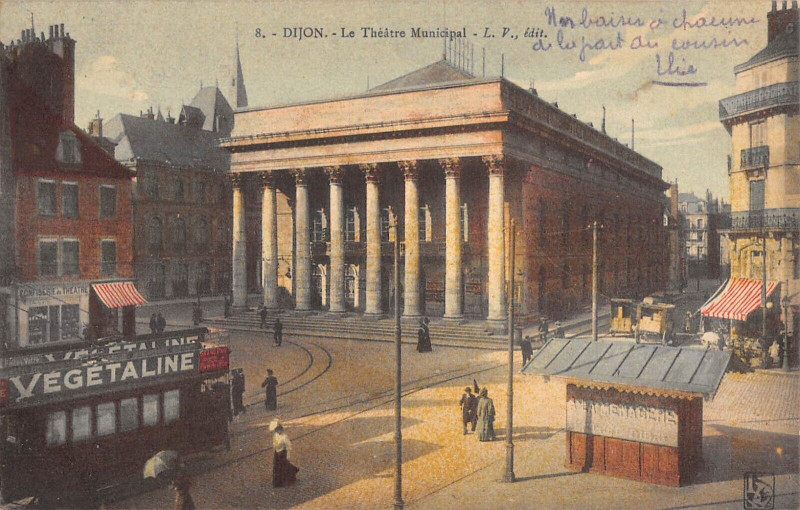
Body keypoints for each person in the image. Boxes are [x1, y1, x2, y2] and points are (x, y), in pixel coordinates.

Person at [270, 420, 299, 487]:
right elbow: (274, 443)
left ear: (282, 430)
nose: (278, 432)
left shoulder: (284, 436)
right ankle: (278, 482)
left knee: (284, 467)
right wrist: (275, 448)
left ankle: (288, 479)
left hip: (283, 453)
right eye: (277, 430)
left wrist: (288, 455)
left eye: (280, 430)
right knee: (277, 467)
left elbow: (289, 446)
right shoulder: (275, 435)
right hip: (277, 453)